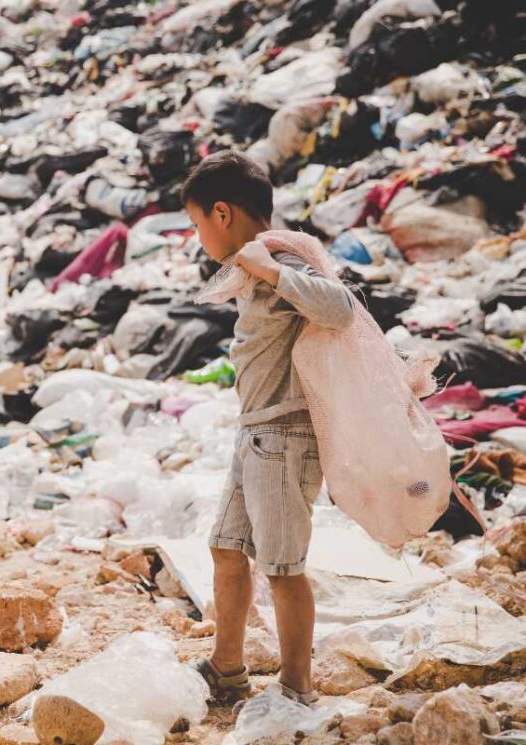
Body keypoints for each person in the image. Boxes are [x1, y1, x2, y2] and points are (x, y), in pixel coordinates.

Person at [181, 151, 355, 706]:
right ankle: (227, 669)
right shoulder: (251, 264)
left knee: (282, 568)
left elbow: (342, 307)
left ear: (223, 213)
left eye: (197, 223)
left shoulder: (280, 261)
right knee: (226, 548)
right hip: (254, 434)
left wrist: (273, 271)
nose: (198, 235)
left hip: (285, 440)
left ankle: (295, 686)